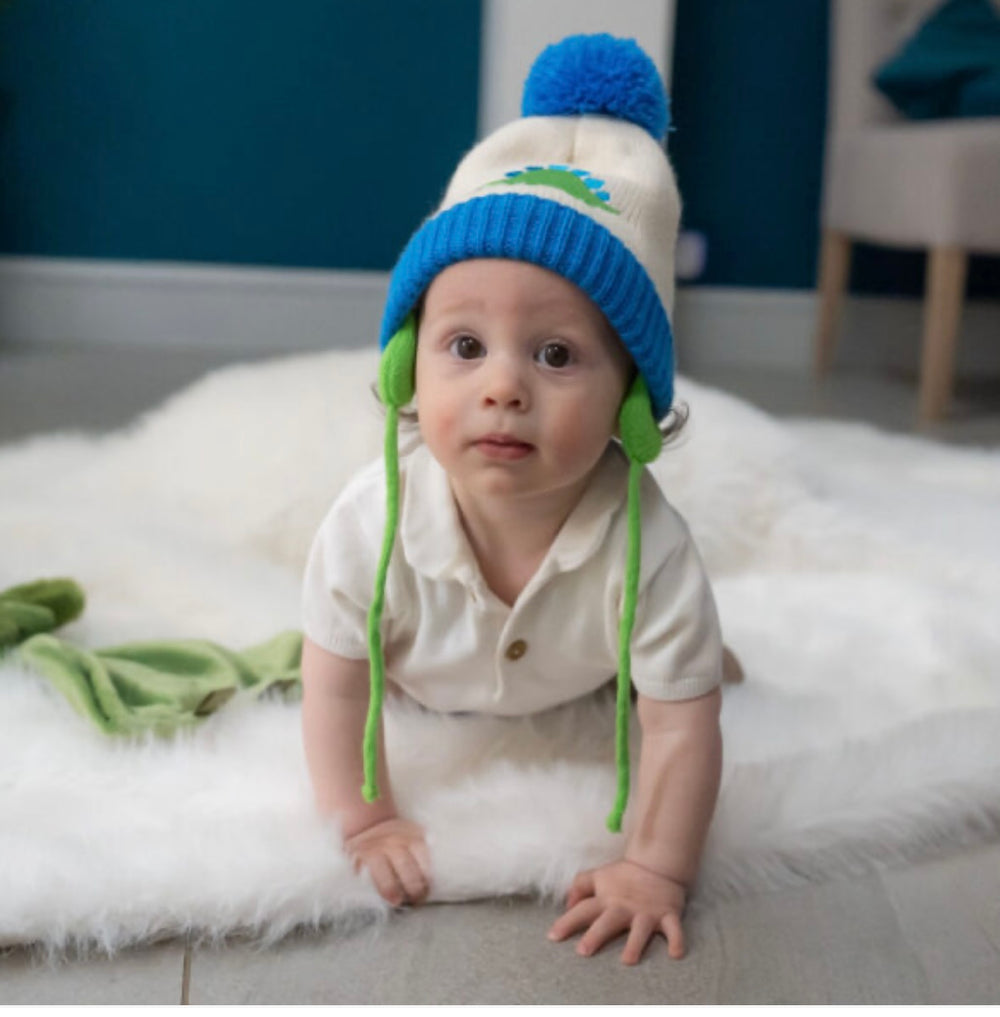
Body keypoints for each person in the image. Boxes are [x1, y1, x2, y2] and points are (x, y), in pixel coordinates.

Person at [300, 33, 734, 965]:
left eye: (556, 354)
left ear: (630, 399)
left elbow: (679, 731)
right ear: (404, 366)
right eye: (464, 346)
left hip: (582, 672)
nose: (503, 387)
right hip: (419, 681)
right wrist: (365, 818)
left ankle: (668, 656)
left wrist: (654, 866)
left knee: (684, 678)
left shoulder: (652, 547)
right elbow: (334, 682)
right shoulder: (369, 523)